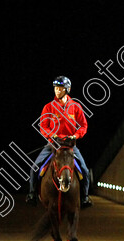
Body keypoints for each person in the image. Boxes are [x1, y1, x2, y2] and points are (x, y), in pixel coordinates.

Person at [26, 76, 92, 208]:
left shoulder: (75, 107)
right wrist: (52, 136)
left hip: (69, 146)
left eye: (60, 89)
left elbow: (83, 125)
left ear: (67, 89)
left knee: (84, 170)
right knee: (35, 167)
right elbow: (43, 126)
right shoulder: (48, 107)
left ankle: (85, 197)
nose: (57, 91)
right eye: (56, 89)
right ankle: (32, 194)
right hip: (53, 144)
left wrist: (75, 136)